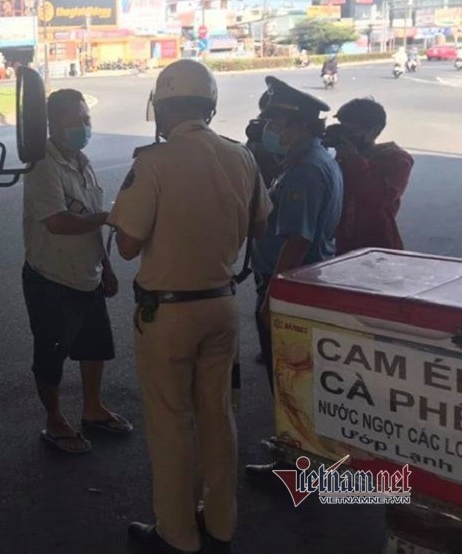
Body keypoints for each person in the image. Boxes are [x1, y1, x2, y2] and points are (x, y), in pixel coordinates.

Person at [109, 59, 271, 553]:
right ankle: (220, 523)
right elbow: (260, 225)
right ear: (210, 108)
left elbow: (127, 246)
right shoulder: (242, 157)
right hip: (222, 306)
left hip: (168, 314)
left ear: (162, 110)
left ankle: (177, 534)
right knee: (218, 416)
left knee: (171, 423)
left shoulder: (153, 162)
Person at [22, 88, 132, 456]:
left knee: (94, 347)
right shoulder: (42, 166)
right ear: (52, 124)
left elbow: (89, 222)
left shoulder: (83, 161)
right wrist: (107, 217)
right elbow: (57, 222)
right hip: (51, 278)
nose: (83, 127)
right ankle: (54, 420)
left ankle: (92, 408)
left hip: (88, 275)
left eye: (86, 119)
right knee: (50, 354)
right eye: (74, 121)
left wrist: (107, 266)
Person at [245, 77, 343, 476]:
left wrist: (274, 298)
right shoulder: (315, 160)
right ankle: (307, 458)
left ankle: (296, 466)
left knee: (290, 381)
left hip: (292, 289)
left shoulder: (304, 172)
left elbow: (297, 241)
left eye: (276, 123)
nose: (270, 130)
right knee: (300, 380)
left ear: (300, 125)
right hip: (305, 285)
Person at [330, 98, 414, 254]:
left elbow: (381, 196)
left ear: (374, 131)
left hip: (378, 243)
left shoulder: (397, 159)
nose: (345, 136)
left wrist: (353, 159)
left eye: (351, 131)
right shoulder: (347, 156)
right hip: (344, 242)